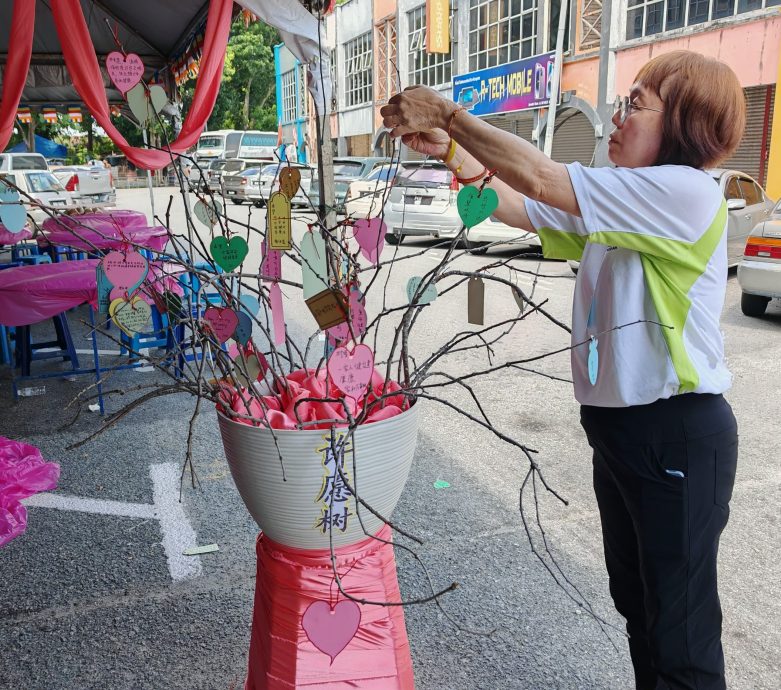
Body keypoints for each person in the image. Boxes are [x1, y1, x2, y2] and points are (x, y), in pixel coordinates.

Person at [381, 50, 743, 690]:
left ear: (685, 122)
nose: (616, 115)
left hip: (676, 431)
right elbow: (515, 204)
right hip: (625, 435)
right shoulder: (627, 205)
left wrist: (452, 113)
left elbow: (544, 181)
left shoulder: (685, 191)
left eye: (636, 103)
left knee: (680, 636)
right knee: (642, 610)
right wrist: (446, 150)